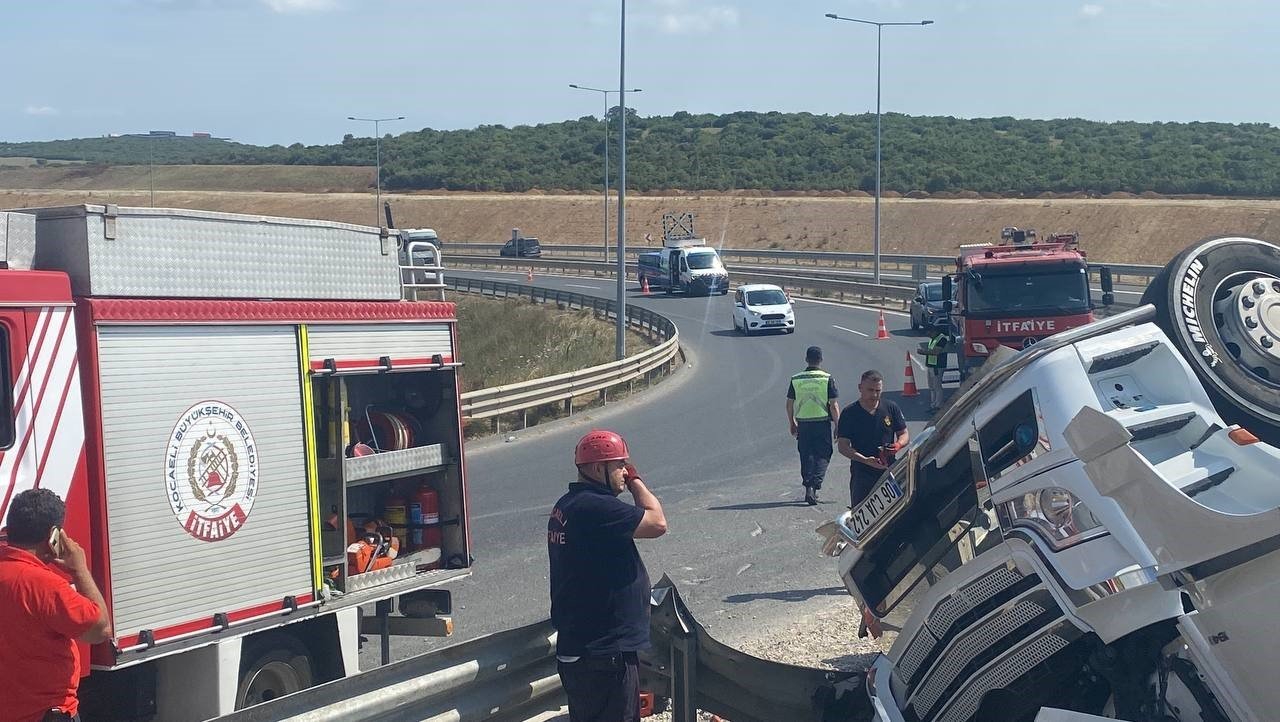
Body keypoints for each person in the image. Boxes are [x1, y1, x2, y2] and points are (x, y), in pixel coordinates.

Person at [548, 430, 668, 722]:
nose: (624, 473)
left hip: (587, 648)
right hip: (604, 653)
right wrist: (638, 481)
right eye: (619, 465)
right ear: (597, 468)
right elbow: (657, 523)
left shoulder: (569, 504)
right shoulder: (595, 506)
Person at [0, 489, 112, 722]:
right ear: (54, 535)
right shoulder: (44, 585)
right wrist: (78, 569)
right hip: (44, 714)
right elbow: (99, 629)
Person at [836, 370, 909, 508]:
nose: (874, 395)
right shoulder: (849, 413)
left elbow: (904, 433)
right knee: (861, 511)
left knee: (894, 510)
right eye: (870, 390)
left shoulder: (890, 407)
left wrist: (898, 445)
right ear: (860, 388)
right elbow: (843, 446)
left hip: (889, 470)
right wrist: (865, 460)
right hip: (862, 473)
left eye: (878, 390)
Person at [786, 345, 840, 505]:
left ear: (806, 359)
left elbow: (789, 404)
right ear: (821, 360)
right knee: (823, 454)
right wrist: (838, 425)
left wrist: (792, 422)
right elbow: (833, 405)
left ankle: (808, 487)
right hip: (822, 423)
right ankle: (815, 485)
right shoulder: (827, 378)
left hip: (803, 423)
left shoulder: (796, 379)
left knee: (806, 455)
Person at [925, 329, 953, 412]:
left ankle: (938, 405)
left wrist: (923, 352)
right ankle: (933, 404)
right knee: (931, 386)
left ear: (935, 331)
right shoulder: (933, 339)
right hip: (931, 365)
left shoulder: (942, 339)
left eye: (929, 332)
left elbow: (936, 352)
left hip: (937, 366)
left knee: (937, 386)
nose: (928, 335)